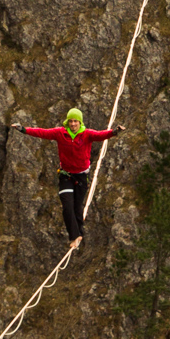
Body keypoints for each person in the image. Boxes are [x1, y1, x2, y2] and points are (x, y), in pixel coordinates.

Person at [12, 108, 122, 253]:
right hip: (66, 175)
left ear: (80, 122)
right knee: (67, 206)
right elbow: (42, 132)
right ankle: (74, 236)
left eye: (75, 121)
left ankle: (79, 233)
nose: (73, 124)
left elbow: (101, 135)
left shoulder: (87, 134)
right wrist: (24, 130)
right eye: (71, 121)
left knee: (77, 207)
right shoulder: (60, 133)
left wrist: (114, 132)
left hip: (82, 175)